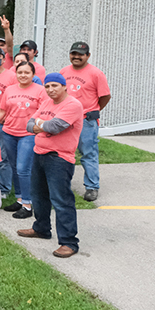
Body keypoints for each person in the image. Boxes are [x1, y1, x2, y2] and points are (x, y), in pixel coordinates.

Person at [17, 73, 83, 258]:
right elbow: (28, 125)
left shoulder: (73, 105)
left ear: (64, 86)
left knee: (61, 200)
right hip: (39, 154)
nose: (50, 90)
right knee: (38, 196)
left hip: (59, 159)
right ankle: (41, 228)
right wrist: (43, 124)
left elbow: (55, 127)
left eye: (55, 85)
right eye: (47, 86)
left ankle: (69, 242)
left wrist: (41, 124)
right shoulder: (46, 102)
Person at [0, 61, 44, 218]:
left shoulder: (40, 91)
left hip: (28, 134)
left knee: (23, 168)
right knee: (14, 166)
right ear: (16, 74)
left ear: (33, 75)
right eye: (20, 72)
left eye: (27, 72)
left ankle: (27, 204)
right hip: (9, 132)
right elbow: (1, 111)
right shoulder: (9, 89)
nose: (23, 75)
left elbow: (44, 112)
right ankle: (19, 199)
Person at [60, 41, 111, 202]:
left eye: (80, 54)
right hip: (66, 120)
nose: (76, 57)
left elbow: (105, 96)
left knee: (88, 154)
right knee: (63, 153)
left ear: (87, 56)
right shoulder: (64, 72)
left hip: (86, 121)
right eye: (73, 53)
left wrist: (92, 110)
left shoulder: (96, 73)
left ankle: (92, 187)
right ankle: (61, 184)